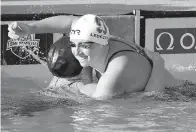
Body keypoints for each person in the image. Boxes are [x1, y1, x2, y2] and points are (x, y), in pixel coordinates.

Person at [8, 14, 178, 99]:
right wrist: (30, 28)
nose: (77, 51)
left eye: (85, 46)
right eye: (73, 44)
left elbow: (151, 101)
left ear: (102, 43)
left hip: (177, 98)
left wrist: (76, 86)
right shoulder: (98, 37)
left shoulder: (116, 71)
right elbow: (70, 22)